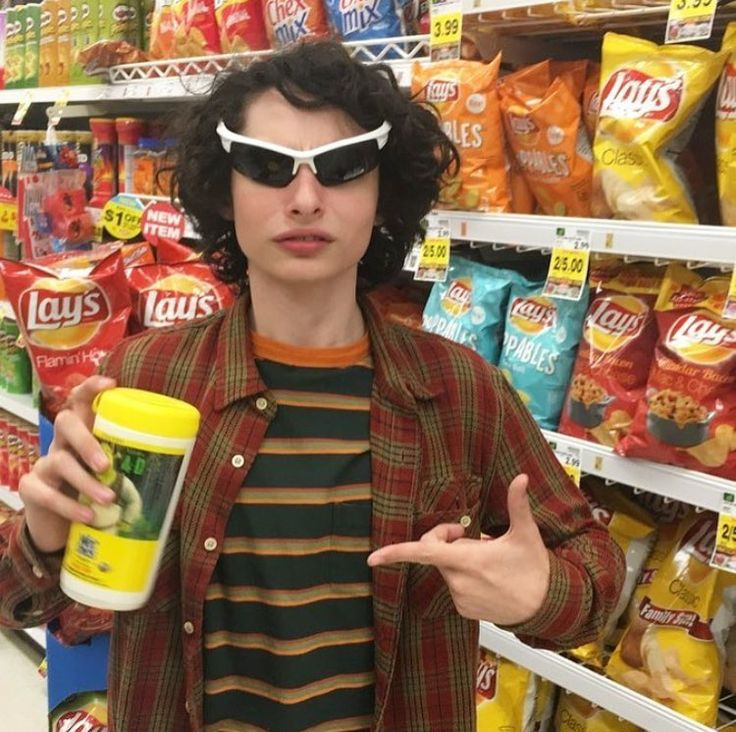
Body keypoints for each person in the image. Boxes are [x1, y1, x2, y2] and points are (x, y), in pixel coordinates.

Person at [0, 41, 624, 731]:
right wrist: (45, 536)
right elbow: (21, 603)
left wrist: (540, 592)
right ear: (225, 191)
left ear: (382, 194)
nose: (304, 200)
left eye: (342, 167)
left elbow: (596, 574)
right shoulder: (147, 380)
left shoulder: (461, 392)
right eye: (268, 167)